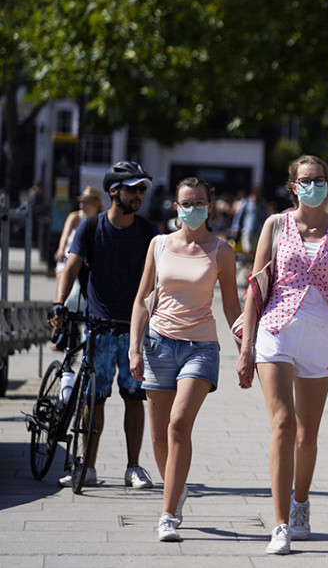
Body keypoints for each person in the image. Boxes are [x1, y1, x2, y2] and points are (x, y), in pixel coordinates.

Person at [235, 154, 328, 555]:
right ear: (294, 186)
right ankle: (279, 525)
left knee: (307, 435)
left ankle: (301, 503)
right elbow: (255, 287)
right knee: (283, 424)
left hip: (321, 332)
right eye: (306, 180)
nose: (314, 185)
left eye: (320, 179)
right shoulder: (275, 224)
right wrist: (245, 347)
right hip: (275, 329)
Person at [128, 177, 242, 542]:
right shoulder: (159, 245)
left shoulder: (222, 251)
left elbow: (231, 306)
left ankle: (167, 514)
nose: (192, 209)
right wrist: (134, 346)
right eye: (185, 203)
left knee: (178, 424)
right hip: (158, 345)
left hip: (200, 347)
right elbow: (142, 298)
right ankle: (175, 490)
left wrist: (247, 347)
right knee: (160, 438)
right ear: (175, 206)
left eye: (199, 203)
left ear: (210, 206)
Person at [47, 161, 159, 490]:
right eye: (133, 189)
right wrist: (59, 301)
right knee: (92, 400)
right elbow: (70, 268)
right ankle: (89, 467)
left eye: (142, 189)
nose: (139, 195)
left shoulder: (147, 231)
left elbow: (160, 277)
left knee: (134, 397)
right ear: (114, 191)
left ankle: (134, 467)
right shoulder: (91, 227)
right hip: (97, 328)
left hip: (134, 330)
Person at [54, 186, 104, 311]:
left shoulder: (101, 222)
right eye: (81, 202)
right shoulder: (75, 217)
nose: (81, 206)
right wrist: (60, 250)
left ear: (95, 205)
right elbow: (64, 236)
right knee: (62, 282)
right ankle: (57, 317)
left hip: (88, 264)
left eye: (86, 203)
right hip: (68, 258)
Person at [231, 183, 269, 274]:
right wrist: (236, 228)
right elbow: (239, 216)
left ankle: (251, 268)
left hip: (258, 231)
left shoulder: (263, 203)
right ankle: (246, 266)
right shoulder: (246, 202)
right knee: (247, 250)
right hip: (247, 230)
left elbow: (265, 217)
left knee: (256, 251)